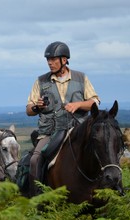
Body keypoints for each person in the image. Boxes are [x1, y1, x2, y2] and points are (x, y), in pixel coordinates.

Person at [26, 41, 100, 195]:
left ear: (64, 60)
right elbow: (29, 110)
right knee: (34, 160)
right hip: (50, 133)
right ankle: (37, 198)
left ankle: (114, 188)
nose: (50, 63)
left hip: (78, 130)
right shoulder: (40, 81)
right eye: (48, 60)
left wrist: (78, 105)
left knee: (102, 151)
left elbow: (95, 103)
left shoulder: (81, 78)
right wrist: (36, 107)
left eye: (53, 59)